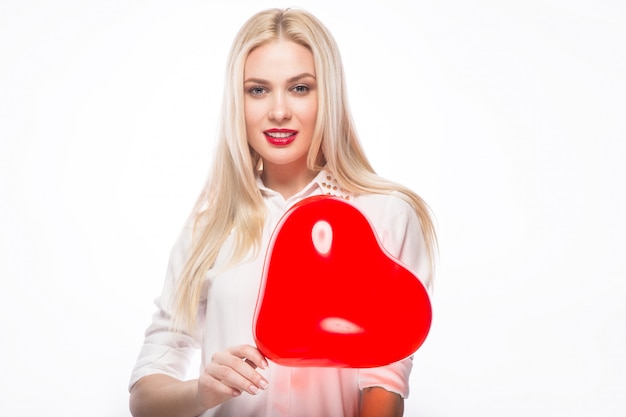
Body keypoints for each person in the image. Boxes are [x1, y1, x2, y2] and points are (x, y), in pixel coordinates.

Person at [129, 7, 437, 417]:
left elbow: (385, 378)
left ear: (327, 94)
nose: (278, 111)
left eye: (300, 88)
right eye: (257, 90)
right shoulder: (208, 228)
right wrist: (201, 393)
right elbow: (145, 397)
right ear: (237, 101)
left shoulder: (387, 214)